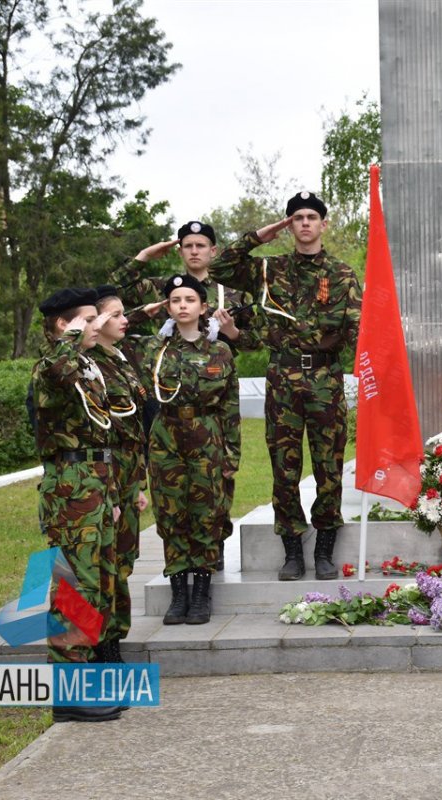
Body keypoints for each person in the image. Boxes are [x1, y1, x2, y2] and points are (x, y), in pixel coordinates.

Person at [210, 192, 361, 581]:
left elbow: (358, 331)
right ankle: (292, 549)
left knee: (329, 467)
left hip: (326, 380)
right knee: (284, 468)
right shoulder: (268, 270)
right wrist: (262, 234)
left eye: (312, 217)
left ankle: (325, 547)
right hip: (283, 380)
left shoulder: (343, 274)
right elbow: (221, 267)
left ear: (324, 224)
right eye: (297, 218)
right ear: (289, 225)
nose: (305, 223)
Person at [113, 221, 257, 570]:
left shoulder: (231, 293)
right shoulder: (168, 289)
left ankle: (212, 549)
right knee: (174, 499)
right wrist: (145, 256)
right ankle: (184, 569)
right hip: (171, 390)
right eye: (187, 245)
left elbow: (254, 340)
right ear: (180, 250)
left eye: (201, 245)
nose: (194, 251)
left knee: (213, 494)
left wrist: (231, 332)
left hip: (214, 388)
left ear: (213, 250)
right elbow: (118, 293)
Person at [32, 286, 120, 723]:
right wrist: (77, 331)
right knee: (73, 585)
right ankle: (67, 692)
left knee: (98, 580)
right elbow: (54, 366)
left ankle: (86, 677)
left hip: (95, 484)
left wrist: (115, 494)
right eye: (89, 319)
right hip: (70, 486)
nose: (99, 324)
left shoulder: (87, 367)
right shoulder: (52, 366)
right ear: (62, 326)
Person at [138, 275, 239, 624]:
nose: (182, 305)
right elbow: (113, 338)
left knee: (207, 513)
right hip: (166, 436)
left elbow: (230, 405)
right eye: (175, 300)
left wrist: (231, 455)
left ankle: (201, 594)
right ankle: (178, 593)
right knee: (170, 513)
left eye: (189, 299)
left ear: (203, 306)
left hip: (207, 435)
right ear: (167, 307)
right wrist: (142, 312)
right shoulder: (155, 348)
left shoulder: (220, 350)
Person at [87, 285, 149, 662]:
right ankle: (93, 648)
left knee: (121, 562)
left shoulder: (120, 358)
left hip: (125, 476)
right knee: (96, 566)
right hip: (97, 477)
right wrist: (107, 492)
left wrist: (136, 483)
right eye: (115, 314)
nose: (124, 319)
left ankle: (112, 641)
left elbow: (131, 427)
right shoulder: (85, 364)